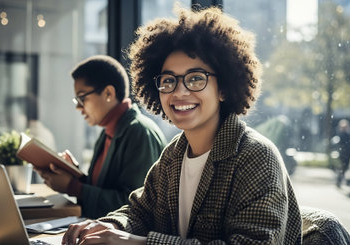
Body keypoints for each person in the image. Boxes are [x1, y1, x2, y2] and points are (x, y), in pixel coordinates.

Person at [62, 6, 302, 244]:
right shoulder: (174, 154)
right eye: (168, 81)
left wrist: (135, 242)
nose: (179, 92)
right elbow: (140, 211)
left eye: (196, 78)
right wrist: (108, 225)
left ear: (224, 88)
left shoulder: (257, 156)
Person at [35, 55, 167, 219]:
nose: (78, 107)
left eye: (82, 98)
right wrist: (74, 175)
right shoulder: (108, 131)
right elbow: (105, 189)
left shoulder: (139, 132)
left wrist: (73, 186)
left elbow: (134, 207)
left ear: (108, 93)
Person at [335, 119, 350, 187]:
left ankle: (344, 181)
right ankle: (342, 181)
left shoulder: (349, 133)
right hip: (344, 154)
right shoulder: (342, 134)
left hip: (348, 153)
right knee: (343, 168)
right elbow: (343, 144)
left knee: (345, 168)